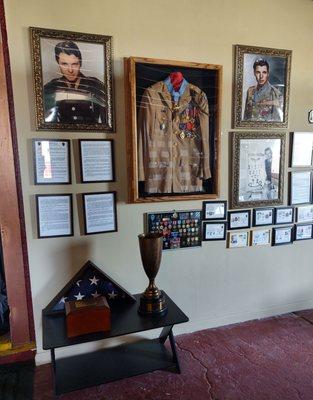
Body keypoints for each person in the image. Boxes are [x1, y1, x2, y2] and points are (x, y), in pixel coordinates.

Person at [43, 41, 106, 124]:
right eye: (64, 64)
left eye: (74, 64)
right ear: (58, 63)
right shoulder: (50, 88)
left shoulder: (95, 85)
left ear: (80, 63)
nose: (70, 70)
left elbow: (106, 122)